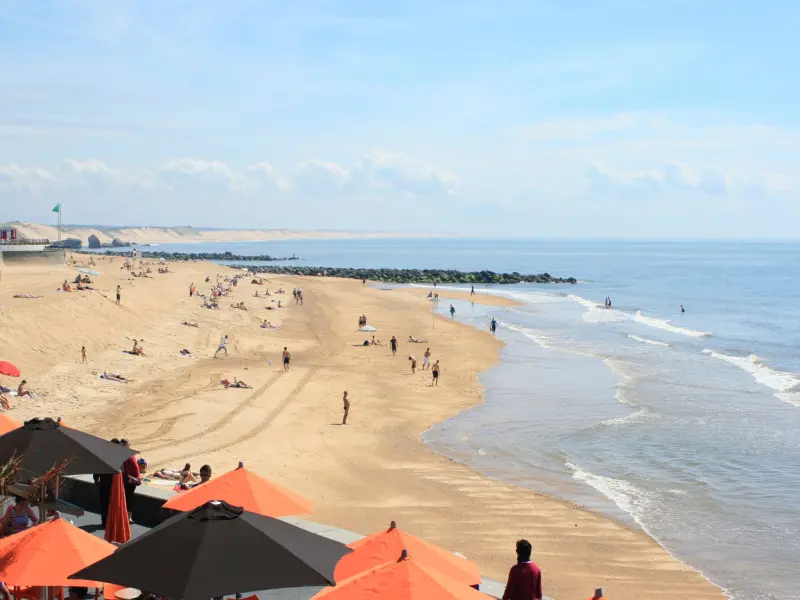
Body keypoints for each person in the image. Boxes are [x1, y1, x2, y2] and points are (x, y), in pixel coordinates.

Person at [120, 439, 141, 520]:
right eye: (128, 444)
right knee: (126, 499)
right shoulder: (126, 455)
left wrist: (137, 478)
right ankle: (126, 517)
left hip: (129, 481)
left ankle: (128, 517)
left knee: (128, 498)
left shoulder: (128, 455)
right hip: (125, 480)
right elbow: (135, 468)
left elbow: (136, 469)